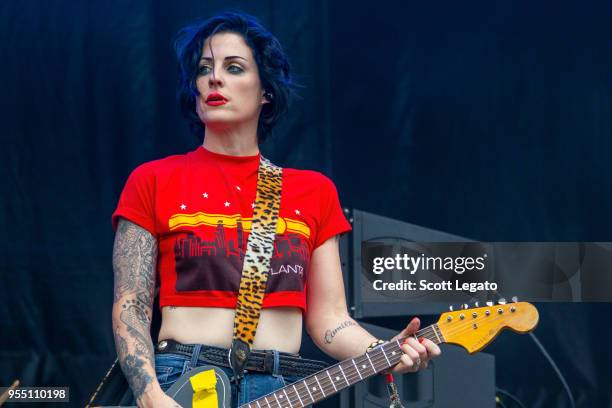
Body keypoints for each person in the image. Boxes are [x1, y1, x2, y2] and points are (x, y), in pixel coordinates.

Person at [111, 10, 441, 408]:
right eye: (204, 69)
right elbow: (131, 305)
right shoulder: (154, 180)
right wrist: (150, 397)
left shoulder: (313, 192)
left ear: (266, 90)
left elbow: (330, 322)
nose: (214, 78)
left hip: (283, 389)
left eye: (234, 67)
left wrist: (391, 350)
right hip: (181, 381)